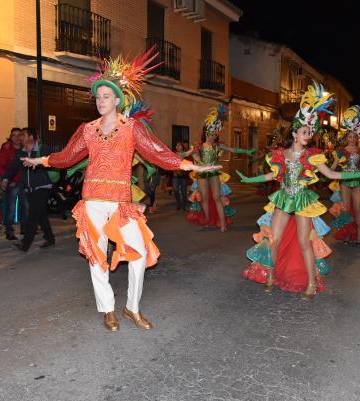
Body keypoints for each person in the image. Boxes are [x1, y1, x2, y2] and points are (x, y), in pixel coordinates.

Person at [20, 48, 218, 331]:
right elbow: (67, 157)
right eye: (98, 96)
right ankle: (108, 309)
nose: (100, 101)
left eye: (106, 96)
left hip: (121, 203)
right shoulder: (87, 129)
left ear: (117, 100)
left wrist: (190, 166)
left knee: (138, 253)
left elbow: (157, 153)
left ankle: (132, 308)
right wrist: (40, 160)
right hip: (92, 201)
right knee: (96, 256)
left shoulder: (132, 128)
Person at [238, 82, 360, 299]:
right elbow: (273, 176)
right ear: (295, 133)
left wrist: (356, 173)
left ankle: (310, 283)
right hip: (282, 200)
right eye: (305, 131)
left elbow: (332, 175)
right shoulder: (280, 154)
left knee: (305, 243)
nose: (309, 134)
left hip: (302, 201)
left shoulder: (312, 155)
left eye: (310, 131)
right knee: (273, 240)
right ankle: (270, 276)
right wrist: (250, 178)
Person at [187, 103, 255, 232]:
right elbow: (194, 155)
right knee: (205, 198)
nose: (213, 137)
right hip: (202, 174)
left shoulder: (218, 146)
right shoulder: (198, 146)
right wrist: (200, 162)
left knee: (217, 197)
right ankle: (207, 219)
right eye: (211, 134)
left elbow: (232, 148)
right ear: (206, 132)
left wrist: (246, 152)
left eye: (214, 135)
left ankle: (223, 223)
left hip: (213, 173)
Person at [329, 102, 360, 246]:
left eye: (354, 137)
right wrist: (333, 163)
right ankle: (346, 235)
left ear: (357, 138)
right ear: (346, 137)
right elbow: (333, 168)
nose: (352, 139)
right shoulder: (340, 151)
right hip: (344, 181)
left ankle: (358, 237)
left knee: (357, 208)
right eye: (350, 136)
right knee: (345, 209)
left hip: (358, 181)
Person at [2, 127, 56, 251]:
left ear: (31, 137)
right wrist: (5, 179)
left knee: (32, 215)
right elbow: (12, 167)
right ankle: (50, 238)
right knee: (40, 214)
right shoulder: (21, 152)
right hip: (29, 188)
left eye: (23, 135)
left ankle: (25, 244)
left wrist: (38, 161)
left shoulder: (43, 149)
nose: (21, 137)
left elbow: (51, 162)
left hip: (43, 187)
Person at [0, 128, 27, 240]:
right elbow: (1, 167)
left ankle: (24, 228)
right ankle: (9, 231)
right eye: (14, 135)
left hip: (24, 182)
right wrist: (8, 180)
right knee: (11, 208)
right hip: (12, 183)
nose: (17, 137)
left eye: (19, 135)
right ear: (10, 137)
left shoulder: (26, 149)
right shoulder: (5, 150)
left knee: (25, 207)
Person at [173, 142, 191, 211]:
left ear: (182, 147)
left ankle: (184, 205)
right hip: (175, 175)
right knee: (175, 190)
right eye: (176, 145)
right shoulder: (173, 154)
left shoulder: (183, 154)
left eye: (179, 145)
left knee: (183, 191)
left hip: (183, 175)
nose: (177, 147)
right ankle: (179, 203)